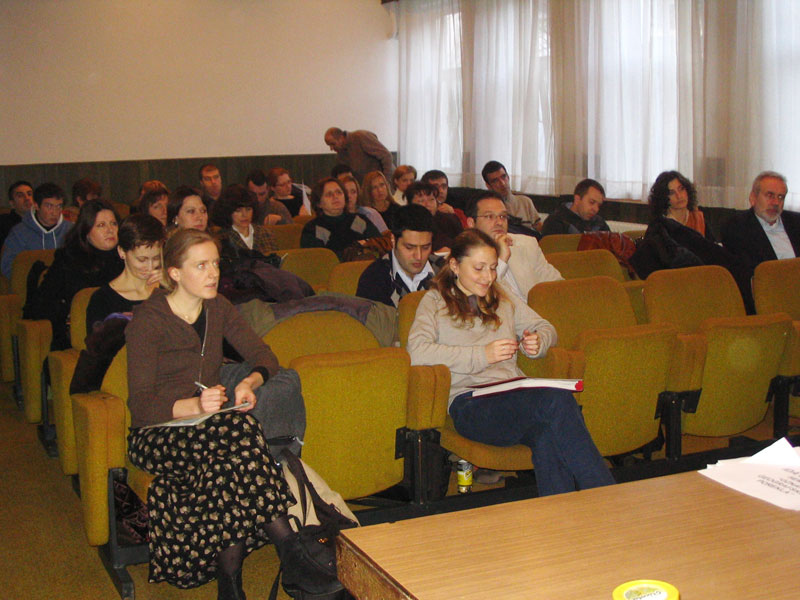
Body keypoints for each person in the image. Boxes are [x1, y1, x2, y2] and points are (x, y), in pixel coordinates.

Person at [125, 228, 328, 598]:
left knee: (226, 464)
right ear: (174, 273)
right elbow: (139, 406)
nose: (213, 274)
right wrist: (193, 406)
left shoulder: (217, 306)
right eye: (200, 266)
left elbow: (266, 357)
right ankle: (291, 549)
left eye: (215, 264)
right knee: (237, 429)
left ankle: (230, 581)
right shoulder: (148, 321)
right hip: (156, 433)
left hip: (209, 429)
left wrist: (249, 382)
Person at [407, 230, 615, 496]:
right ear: (455, 266)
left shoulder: (501, 296)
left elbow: (545, 326)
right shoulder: (434, 302)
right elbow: (417, 352)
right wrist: (483, 355)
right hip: (470, 403)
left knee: (546, 435)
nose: (488, 277)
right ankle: (607, 496)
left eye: (493, 268)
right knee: (557, 401)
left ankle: (561, 513)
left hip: (515, 394)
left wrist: (538, 342)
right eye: (479, 268)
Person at [71, 214, 165, 394]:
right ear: (122, 252)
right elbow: (98, 356)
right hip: (132, 381)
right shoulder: (103, 299)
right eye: (142, 259)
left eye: (156, 258)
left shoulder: (168, 288)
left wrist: (175, 289)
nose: (151, 266)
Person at [25, 199, 123, 350]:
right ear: (86, 232)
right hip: (78, 336)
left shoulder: (127, 257)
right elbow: (42, 304)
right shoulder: (69, 259)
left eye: (113, 224)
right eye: (101, 225)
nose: (110, 230)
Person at [467, 191, 562, 300]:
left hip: (537, 312)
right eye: (490, 216)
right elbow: (482, 298)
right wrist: (502, 260)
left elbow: (556, 284)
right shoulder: (464, 257)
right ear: (471, 223)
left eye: (503, 216)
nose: (499, 222)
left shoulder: (526, 244)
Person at [356, 203, 437, 307]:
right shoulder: (374, 278)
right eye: (409, 247)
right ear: (393, 240)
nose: (419, 256)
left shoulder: (446, 272)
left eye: (425, 247)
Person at [721, 171, 800, 267]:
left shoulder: (796, 222)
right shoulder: (736, 227)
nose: (776, 202)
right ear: (753, 198)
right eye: (770, 195)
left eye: (780, 197)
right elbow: (746, 271)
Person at [1, 182, 73, 278]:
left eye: (59, 206)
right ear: (36, 206)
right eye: (49, 206)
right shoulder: (19, 233)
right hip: (32, 285)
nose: (55, 212)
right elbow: (7, 267)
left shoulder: (71, 230)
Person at [300, 177, 383, 259]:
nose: (335, 197)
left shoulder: (357, 220)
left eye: (339, 192)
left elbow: (378, 243)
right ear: (319, 203)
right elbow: (319, 258)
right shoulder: (314, 228)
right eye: (329, 194)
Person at [647, 171, 714, 241]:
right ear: (663, 197)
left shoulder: (698, 218)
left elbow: (713, 248)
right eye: (672, 193)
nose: (679, 196)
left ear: (687, 190)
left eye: (681, 189)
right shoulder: (659, 226)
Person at [216, 184, 278, 257]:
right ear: (228, 212)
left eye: (248, 209)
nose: (244, 215)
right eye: (238, 210)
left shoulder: (266, 234)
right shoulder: (221, 238)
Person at [481, 161, 542, 231]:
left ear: (508, 177)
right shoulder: (488, 208)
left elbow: (539, 228)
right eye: (495, 181)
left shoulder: (525, 202)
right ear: (488, 186)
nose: (502, 183)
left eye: (503, 177)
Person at [541, 178, 611, 236]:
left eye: (599, 205)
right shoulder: (555, 222)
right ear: (577, 199)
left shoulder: (599, 224)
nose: (595, 209)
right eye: (591, 202)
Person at [406, 181, 462, 252]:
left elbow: (463, 244)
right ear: (410, 205)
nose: (427, 204)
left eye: (431, 199)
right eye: (421, 201)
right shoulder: (407, 226)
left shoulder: (449, 219)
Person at [324, 127, 395, 183]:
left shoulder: (360, 137)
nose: (331, 148)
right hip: (368, 188)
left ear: (341, 138)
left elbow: (386, 156)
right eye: (329, 145)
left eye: (333, 144)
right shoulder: (340, 157)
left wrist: (386, 181)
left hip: (387, 182)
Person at [0, 180, 34, 250]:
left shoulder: (44, 220)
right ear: (12, 204)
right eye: (20, 196)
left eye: (29, 194)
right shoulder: (3, 223)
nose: (27, 198)